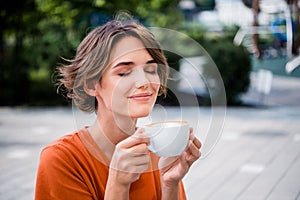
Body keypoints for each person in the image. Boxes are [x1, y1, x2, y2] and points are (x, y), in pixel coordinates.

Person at [35, 13, 201, 200]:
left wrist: (170, 185)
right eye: (124, 73)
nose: (144, 81)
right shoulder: (61, 160)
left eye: (150, 70)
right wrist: (118, 183)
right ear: (91, 85)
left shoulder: (157, 153)